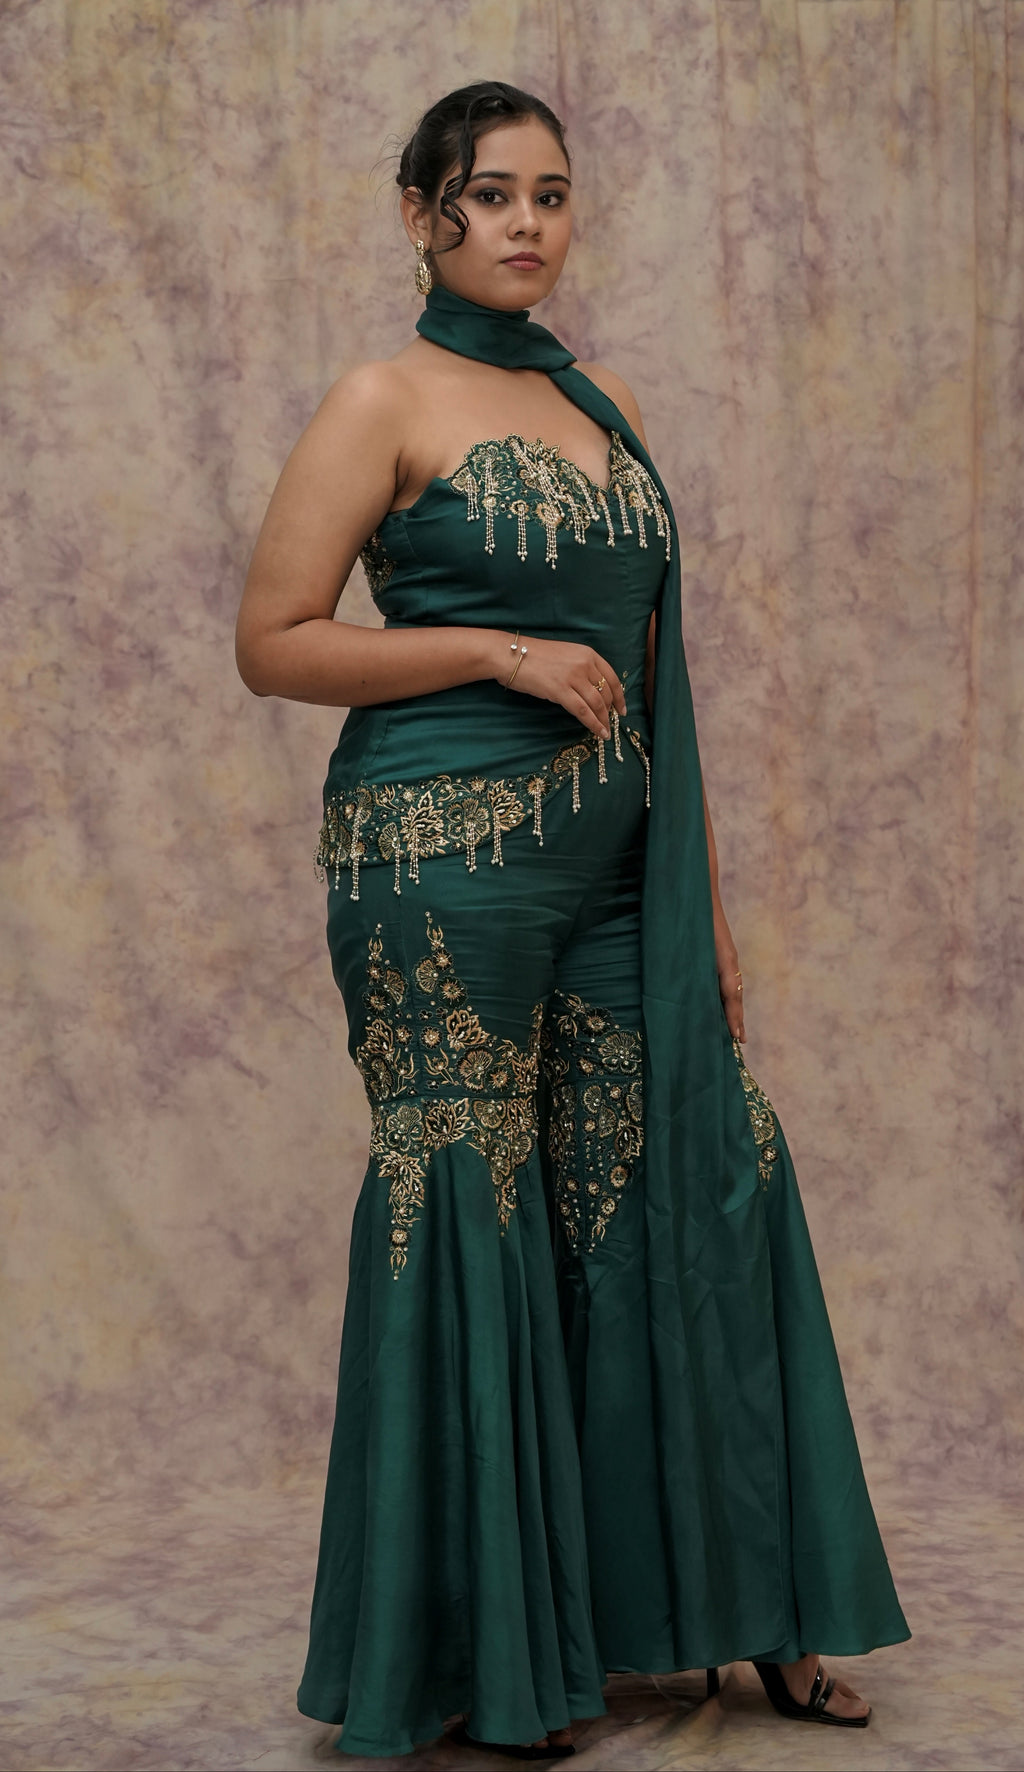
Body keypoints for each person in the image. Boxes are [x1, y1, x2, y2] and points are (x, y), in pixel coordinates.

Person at [235, 80, 910, 1762]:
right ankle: (485, 1653)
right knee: (473, 1203)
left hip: (623, 870)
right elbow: (275, 639)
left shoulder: (598, 400)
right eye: (491, 195)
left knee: (707, 1170)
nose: (528, 222)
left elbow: (662, 684)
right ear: (422, 215)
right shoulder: (382, 396)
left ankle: (747, 1609)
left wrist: (708, 913)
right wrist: (497, 651)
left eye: (552, 194)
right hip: (439, 856)